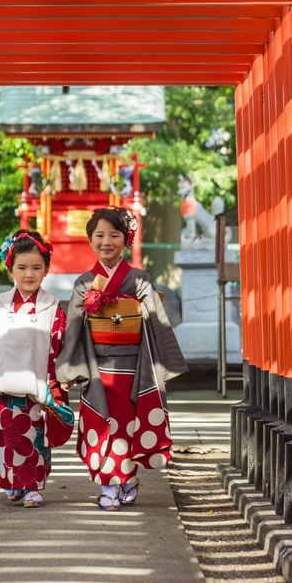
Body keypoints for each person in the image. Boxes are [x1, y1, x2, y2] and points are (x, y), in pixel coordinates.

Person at [56, 206, 187, 511]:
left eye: (114, 234)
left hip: (133, 368)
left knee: (128, 428)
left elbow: (156, 319)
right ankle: (110, 484)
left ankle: (124, 479)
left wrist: (132, 309)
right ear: (90, 240)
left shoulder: (139, 279)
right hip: (97, 370)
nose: (106, 241)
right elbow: (73, 328)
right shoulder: (83, 283)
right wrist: (66, 370)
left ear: (125, 240)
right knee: (102, 426)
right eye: (99, 235)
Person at [0, 229, 74, 508]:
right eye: (22, 268)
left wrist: (61, 376)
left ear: (45, 271)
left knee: (33, 434)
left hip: (37, 384)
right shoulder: (0, 303)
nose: (29, 274)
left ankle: (32, 486)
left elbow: (59, 343)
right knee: (6, 434)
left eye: (36, 268)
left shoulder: (52, 306)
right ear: (10, 270)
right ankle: (12, 482)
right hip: (4, 382)